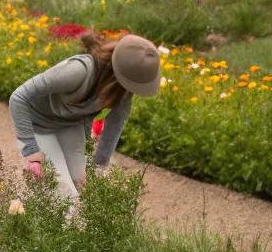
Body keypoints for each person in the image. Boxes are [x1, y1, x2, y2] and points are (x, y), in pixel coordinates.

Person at [9, 31, 161, 204]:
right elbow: (18, 97)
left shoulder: (122, 90)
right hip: (37, 122)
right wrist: (31, 149)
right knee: (60, 191)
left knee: (82, 187)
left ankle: (67, 223)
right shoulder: (77, 72)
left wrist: (97, 168)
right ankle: (27, 216)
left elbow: (114, 125)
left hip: (69, 125)